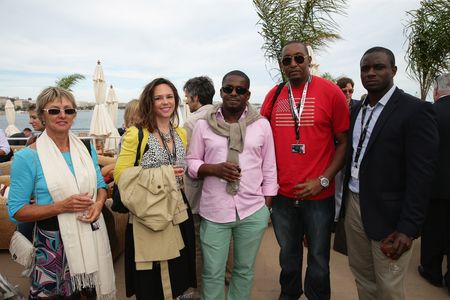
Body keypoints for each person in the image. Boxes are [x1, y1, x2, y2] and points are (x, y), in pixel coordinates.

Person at [343, 47, 439, 300]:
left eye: (379, 67)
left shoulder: (415, 110)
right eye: (365, 69)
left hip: (390, 215)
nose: (371, 73)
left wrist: (408, 228)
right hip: (354, 204)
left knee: (388, 285)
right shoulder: (357, 110)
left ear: (393, 71)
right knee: (362, 276)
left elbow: (422, 175)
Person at [260, 41, 349, 300]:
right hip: (283, 195)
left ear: (309, 60)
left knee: (319, 258)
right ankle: (289, 294)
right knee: (288, 255)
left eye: (299, 58)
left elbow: (344, 143)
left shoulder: (331, 93)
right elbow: (261, 142)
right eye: (287, 60)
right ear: (281, 65)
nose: (293, 64)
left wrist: (322, 180)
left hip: (319, 196)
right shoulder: (274, 95)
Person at [7, 87, 116, 299]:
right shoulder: (27, 158)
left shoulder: (86, 147)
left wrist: (99, 203)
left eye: (69, 110)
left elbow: (101, 185)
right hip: (52, 242)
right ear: (42, 115)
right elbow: (16, 211)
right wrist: (61, 207)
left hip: (92, 232)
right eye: (54, 110)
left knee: (91, 293)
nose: (63, 115)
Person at [186, 70, 278, 300]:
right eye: (228, 89)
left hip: (252, 210)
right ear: (221, 92)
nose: (234, 93)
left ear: (248, 94)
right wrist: (214, 169)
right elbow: (192, 163)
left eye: (240, 90)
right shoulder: (203, 126)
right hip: (215, 211)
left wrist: (266, 205)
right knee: (212, 272)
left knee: (244, 271)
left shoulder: (261, 125)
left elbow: (269, 167)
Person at [114, 78, 196, 300]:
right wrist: (164, 175)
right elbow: (121, 175)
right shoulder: (136, 134)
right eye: (158, 98)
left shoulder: (180, 133)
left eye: (169, 97)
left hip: (178, 210)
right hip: (149, 212)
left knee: (178, 272)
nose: (165, 102)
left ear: (176, 100)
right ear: (149, 102)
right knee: (153, 277)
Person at [182, 75, 215, 299]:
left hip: (196, 188)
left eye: (187, 97)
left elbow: (188, 157)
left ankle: (197, 288)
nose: (186, 101)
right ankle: (225, 276)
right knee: (220, 237)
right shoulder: (223, 114)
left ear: (195, 97)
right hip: (219, 189)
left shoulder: (192, 122)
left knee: (195, 239)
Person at [419, 73, 450, 291]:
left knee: (433, 230)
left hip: (435, 186)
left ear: (436, 91)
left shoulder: (430, 112)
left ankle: (432, 271)